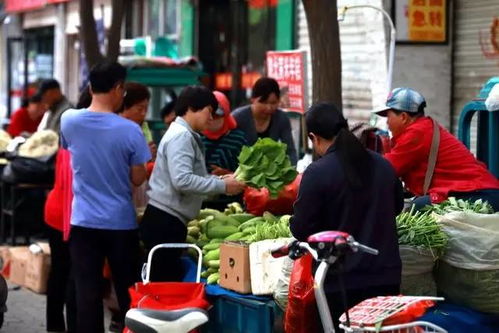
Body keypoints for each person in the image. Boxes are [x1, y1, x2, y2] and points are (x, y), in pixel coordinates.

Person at [290, 102, 403, 330]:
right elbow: (397, 207)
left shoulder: (317, 172)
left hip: (341, 283)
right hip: (386, 276)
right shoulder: (383, 165)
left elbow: (301, 229)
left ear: (314, 137)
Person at [60, 61, 151, 333]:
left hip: (83, 222)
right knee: (128, 294)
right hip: (120, 224)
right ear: (118, 89)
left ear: (90, 86)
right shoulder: (130, 131)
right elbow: (137, 178)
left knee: (87, 294)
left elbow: (70, 151)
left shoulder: (69, 120)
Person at [141, 85, 246, 282]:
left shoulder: (183, 133)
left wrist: (221, 180)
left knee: (163, 282)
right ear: (191, 108)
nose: (211, 118)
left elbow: (187, 177)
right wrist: (223, 186)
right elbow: (182, 180)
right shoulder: (181, 136)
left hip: (168, 220)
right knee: (163, 287)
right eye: (209, 111)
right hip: (165, 222)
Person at [374, 87, 499, 211]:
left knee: (419, 208)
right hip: (479, 192)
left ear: (403, 117)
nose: (387, 123)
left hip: (480, 195)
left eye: (388, 117)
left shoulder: (417, 133)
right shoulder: (423, 128)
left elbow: (384, 170)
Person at [232, 77, 297, 165]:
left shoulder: (281, 118)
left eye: (273, 103)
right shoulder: (238, 117)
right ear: (253, 99)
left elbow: (290, 151)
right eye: (264, 103)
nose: (269, 108)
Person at [201, 91, 247, 175]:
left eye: (217, 115)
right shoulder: (196, 137)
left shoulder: (238, 139)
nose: (212, 119)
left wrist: (227, 174)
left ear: (226, 113)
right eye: (209, 115)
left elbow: (248, 171)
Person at [118, 82, 157, 159]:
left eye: (146, 109)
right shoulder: (114, 130)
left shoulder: (143, 127)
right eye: (140, 109)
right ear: (124, 107)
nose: (143, 113)